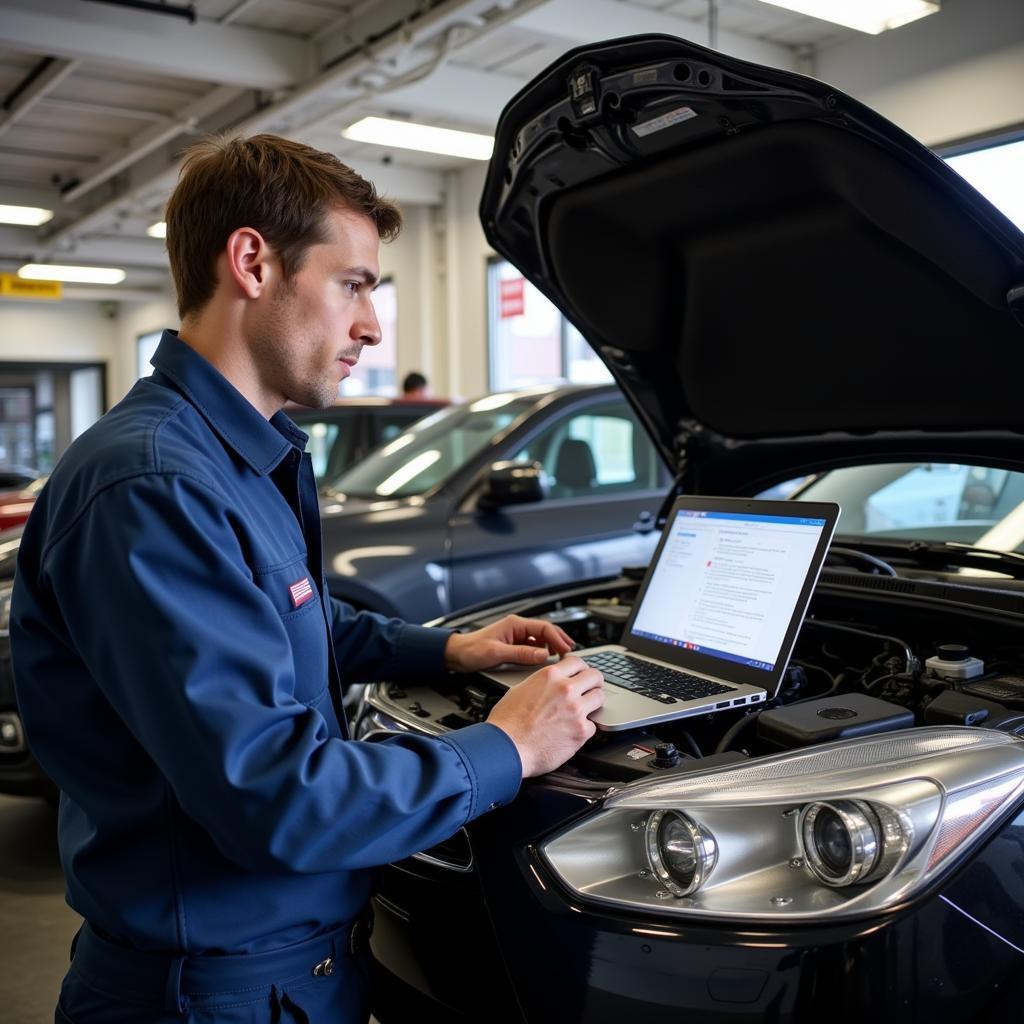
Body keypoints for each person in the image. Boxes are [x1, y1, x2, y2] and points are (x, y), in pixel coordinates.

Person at [9, 134, 604, 1024]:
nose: (369, 325)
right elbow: (277, 800)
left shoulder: (229, 458)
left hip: (288, 970)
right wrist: (509, 747)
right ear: (252, 261)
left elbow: (286, 615)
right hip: (214, 995)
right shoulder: (156, 485)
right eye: (354, 284)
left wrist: (445, 647)